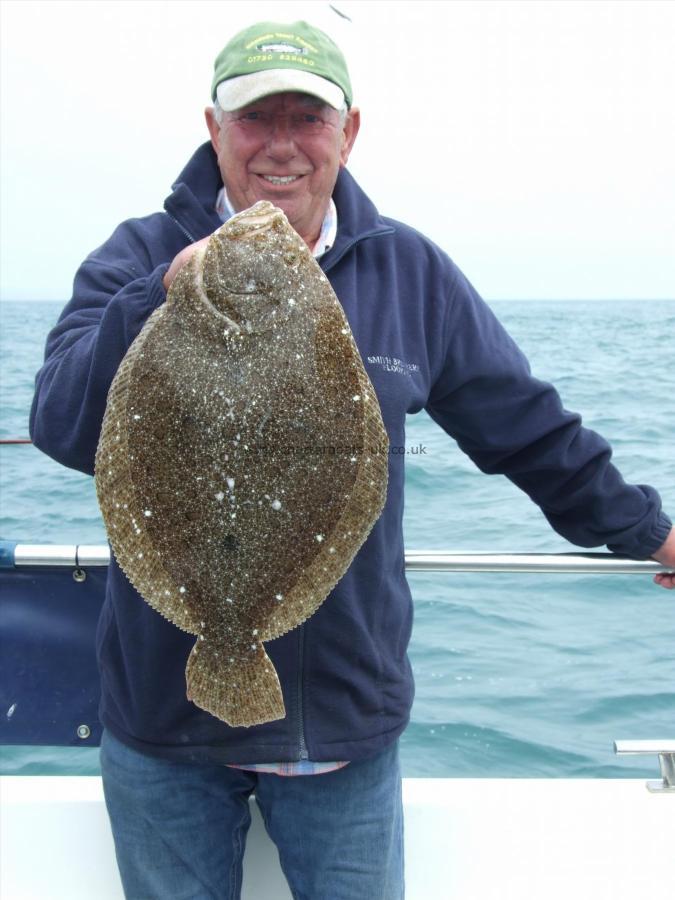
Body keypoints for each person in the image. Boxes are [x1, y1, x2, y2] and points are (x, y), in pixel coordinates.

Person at [30, 18, 674, 900]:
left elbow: (526, 431)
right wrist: (159, 296)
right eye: (256, 120)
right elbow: (63, 427)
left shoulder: (408, 272)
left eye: (308, 118)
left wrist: (652, 534)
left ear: (349, 132)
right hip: (160, 720)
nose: (282, 145)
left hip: (342, 719)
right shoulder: (138, 256)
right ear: (214, 130)